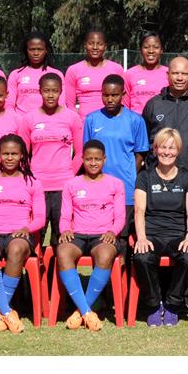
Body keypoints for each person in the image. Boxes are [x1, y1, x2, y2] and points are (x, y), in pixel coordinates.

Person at [0, 134, 45, 334]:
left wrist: (27, 229)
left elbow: (40, 217)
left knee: (16, 248)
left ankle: (0, 310)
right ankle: (6, 311)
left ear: (22, 156)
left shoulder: (33, 183)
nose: (10, 158)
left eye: (14, 153)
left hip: (19, 234)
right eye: (5, 154)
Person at [142, 55, 188, 245]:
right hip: (160, 184)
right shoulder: (154, 104)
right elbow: (145, 143)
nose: (180, 77)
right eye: (175, 73)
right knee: (158, 236)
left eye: (184, 73)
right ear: (167, 75)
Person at [56, 140, 126, 331]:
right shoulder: (71, 184)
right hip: (78, 234)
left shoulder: (116, 184)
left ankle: (80, 311)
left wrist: (112, 231)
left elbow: (120, 217)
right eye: (89, 159)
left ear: (104, 159)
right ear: (82, 159)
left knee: (105, 254)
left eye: (97, 159)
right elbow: (65, 216)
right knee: (63, 252)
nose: (93, 163)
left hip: (103, 235)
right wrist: (65, 230)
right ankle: (87, 311)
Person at [133, 128, 188, 326]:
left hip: (178, 234)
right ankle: (154, 305)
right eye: (162, 147)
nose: (166, 152)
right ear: (155, 149)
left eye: (171, 148)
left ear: (178, 150)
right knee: (141, 257)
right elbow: (139, 211)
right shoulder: (144, 177)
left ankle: (172, 304)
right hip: (152, 234)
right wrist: (141, 238)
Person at [83, 74, 149, 250]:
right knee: (101, 235)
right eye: (106, 95)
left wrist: (130, 175)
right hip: (98, 189)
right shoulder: (91, 120)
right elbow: (87, 153)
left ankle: (126, 268)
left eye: (114, 95)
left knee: (124, 236)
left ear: (123, 94)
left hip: (126, 187)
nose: (110, 99)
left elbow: (140, 154)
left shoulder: (135, 120)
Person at [20, 72, 83, 251]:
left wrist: (69, 175)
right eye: (46, 90)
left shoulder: (72, 117)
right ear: (39, 91)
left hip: (63, 186)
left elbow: (80, 153)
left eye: (54, 91)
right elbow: (22, 154)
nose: (50, 95)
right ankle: (34, 268)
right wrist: (30, 179)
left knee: (61, 236)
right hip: (37, 185)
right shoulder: (29, 119)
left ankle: (58, 269)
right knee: (34, 236)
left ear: (61, 92)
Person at [64, 28, 124, 118]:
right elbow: (70, 105)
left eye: (99, 44)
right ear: (85, 45)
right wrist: (79, 122)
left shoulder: (116, 69)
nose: (95, 47)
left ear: (105, 46)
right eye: (91, 43)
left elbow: (123, 100)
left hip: (111, 121)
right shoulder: (73, 70)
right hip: (84, 122)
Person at [6, 31, 66, 116]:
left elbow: (61, 104)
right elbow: (9, 104)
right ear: (26, 50)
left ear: (46, 50)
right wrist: (17, 120)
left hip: (47, 122)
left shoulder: (56, 74)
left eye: (40, 49)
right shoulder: (16, 74)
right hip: (21, 122)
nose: (36, 53)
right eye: (32, 49)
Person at [124, 31, 168, 116]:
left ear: (161, 50)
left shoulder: (169, 74)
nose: (151, 51)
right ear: (140, 50)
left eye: (156, 47)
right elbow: (125, 106)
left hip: (162, 122)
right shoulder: (129, 74)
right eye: (146, 47)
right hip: (136, 122)